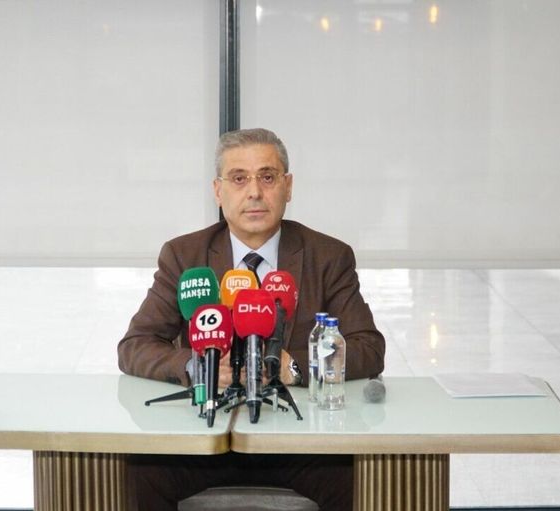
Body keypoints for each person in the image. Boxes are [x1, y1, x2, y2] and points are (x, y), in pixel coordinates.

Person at [118, 128, 385, 510]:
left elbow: (369, 349)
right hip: (204, 438)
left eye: (268, 177)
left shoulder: (328, 256)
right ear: (218, 191)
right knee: (132, 477)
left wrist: (293, 367)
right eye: (239, 178)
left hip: (300, 438)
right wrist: (199, 366)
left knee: (363, 481)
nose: (255, 192)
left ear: (288, 187)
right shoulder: (184, 255)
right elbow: (135, 346)